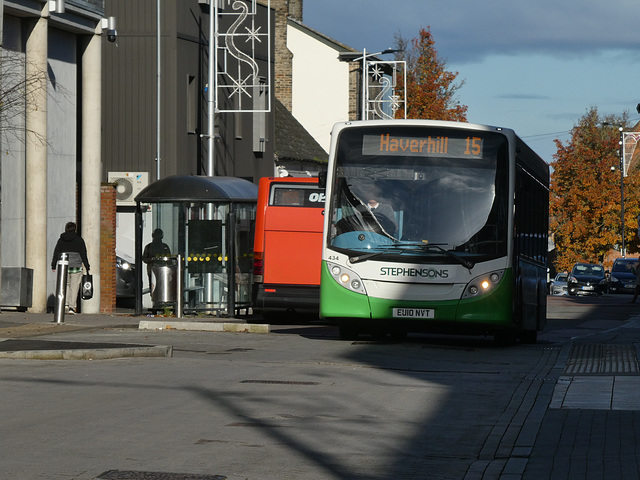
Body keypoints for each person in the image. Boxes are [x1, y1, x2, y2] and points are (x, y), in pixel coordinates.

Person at [51, 222, 90, 314]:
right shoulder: (79, 240)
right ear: (74, 229)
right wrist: (87, 266)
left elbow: (56, 252)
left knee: (65, 285)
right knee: (74, 286)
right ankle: (72, 307)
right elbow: (83, 254)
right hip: (76, 266)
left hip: (63, 266)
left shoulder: (61, 240)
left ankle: (65, 304)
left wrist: (53, 265)